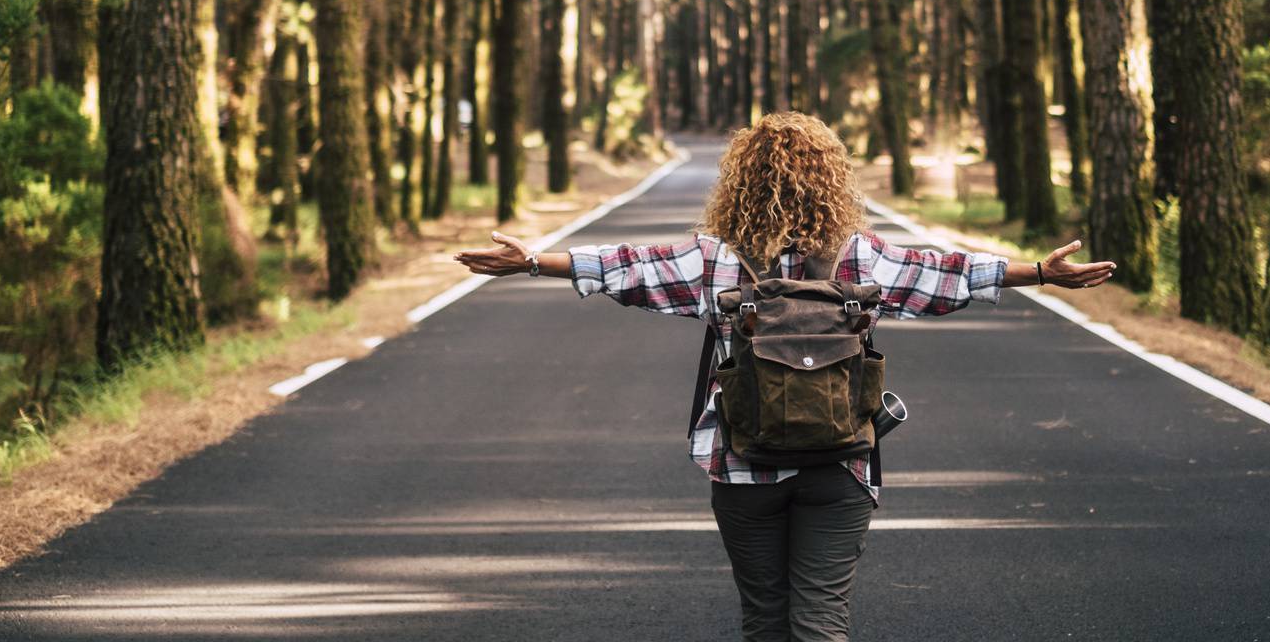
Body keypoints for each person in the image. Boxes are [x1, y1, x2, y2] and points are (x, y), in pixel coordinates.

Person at [455, 113, 1115, 642]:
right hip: (842, 464)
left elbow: (628, 265)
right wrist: (1039, 271)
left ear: (738, 181)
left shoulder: (714, 261)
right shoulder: (860, 257)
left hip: (744, 465)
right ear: (833, 181)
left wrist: (533, 262)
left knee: (765, 618)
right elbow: (946, 276)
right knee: (820, 619)